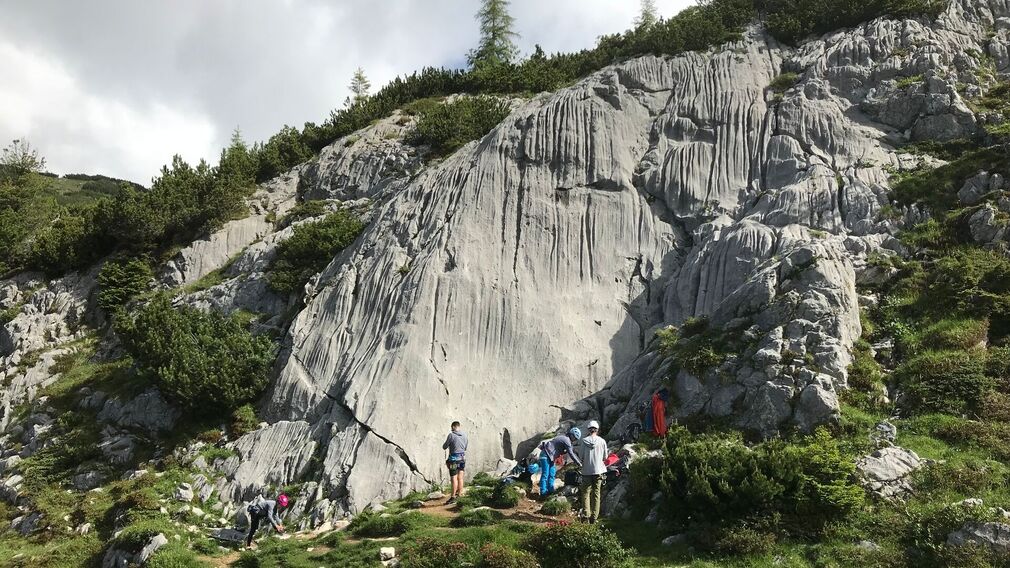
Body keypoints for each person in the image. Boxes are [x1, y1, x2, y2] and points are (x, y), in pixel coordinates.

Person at [538, 427, 582, 498]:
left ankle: (550, 491)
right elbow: (571, 453)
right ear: (572, 435)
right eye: (575, 438)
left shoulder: (566, 439)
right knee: (545, 474)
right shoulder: (566, 440)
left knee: (552, 474)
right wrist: (578, 463)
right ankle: (543, 493)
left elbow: (570, 451)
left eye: (576, 439)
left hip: (550, 457)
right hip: (546, 455)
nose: (574, 440)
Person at [578, 420, 608, 524]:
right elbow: (605, 457)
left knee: (586, 493)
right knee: (596, 494)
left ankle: (586, 515)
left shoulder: (583, 441)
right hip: (599, 471)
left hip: (586, 471)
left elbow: (580, 457)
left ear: (588, 430)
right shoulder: (602, 441)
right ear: (597, 430)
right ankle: (594, 517)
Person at [443, 420, 468, 504]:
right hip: (462, 459)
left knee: (454, 478)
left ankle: (453, 497)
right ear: (459, 426)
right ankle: (460, 494)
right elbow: (465, 447)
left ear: (453, 427)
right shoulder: (464, 435)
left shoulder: (451, 435)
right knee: (460, 477)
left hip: (453, 461)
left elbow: (444, 446)